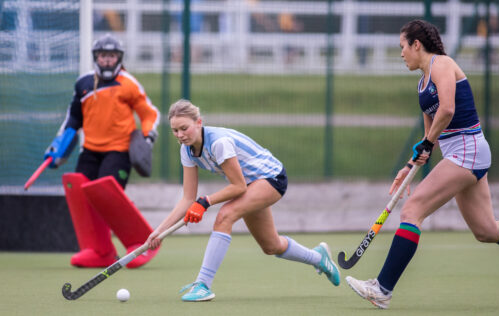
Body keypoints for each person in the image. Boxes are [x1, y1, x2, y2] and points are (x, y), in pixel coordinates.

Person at [345, 19, 499, 309]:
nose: (401, 53)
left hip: (468, 149)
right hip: (463, 153)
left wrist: (429, 142)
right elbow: (431, 137)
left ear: (417, 44)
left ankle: (382, 288)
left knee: (412, 210)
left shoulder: (441, 64)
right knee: (486, 231)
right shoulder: (421, 85)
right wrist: (408, 167)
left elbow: (448, 108)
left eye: (402, 47)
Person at [146, 99, 340, 302]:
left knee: (225, 216)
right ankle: (319, 258)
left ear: (199, 122)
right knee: (271, 246)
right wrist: (159, 232)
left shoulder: (218, 143)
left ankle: (202, 284)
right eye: (175, 131)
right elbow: (187, 198)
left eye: (184, 128)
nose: (180, 135)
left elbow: (237, 187)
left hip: (271, 178)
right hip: (250, 185)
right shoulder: (186, 150)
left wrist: (205, 202)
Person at [44, 34, 161, 269]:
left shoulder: (128, 83)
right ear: (96, 58)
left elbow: (150, 113)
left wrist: (147, 136)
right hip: (90, 150)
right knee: (79, 190)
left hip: (119, 150)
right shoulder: (83, 83)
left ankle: (140, 242)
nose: (107, 60)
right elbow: (73, 118)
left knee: (106, 194)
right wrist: (58, 145)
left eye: (112, 56)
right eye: (103, 56)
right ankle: (100, 251)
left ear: (119, 58)